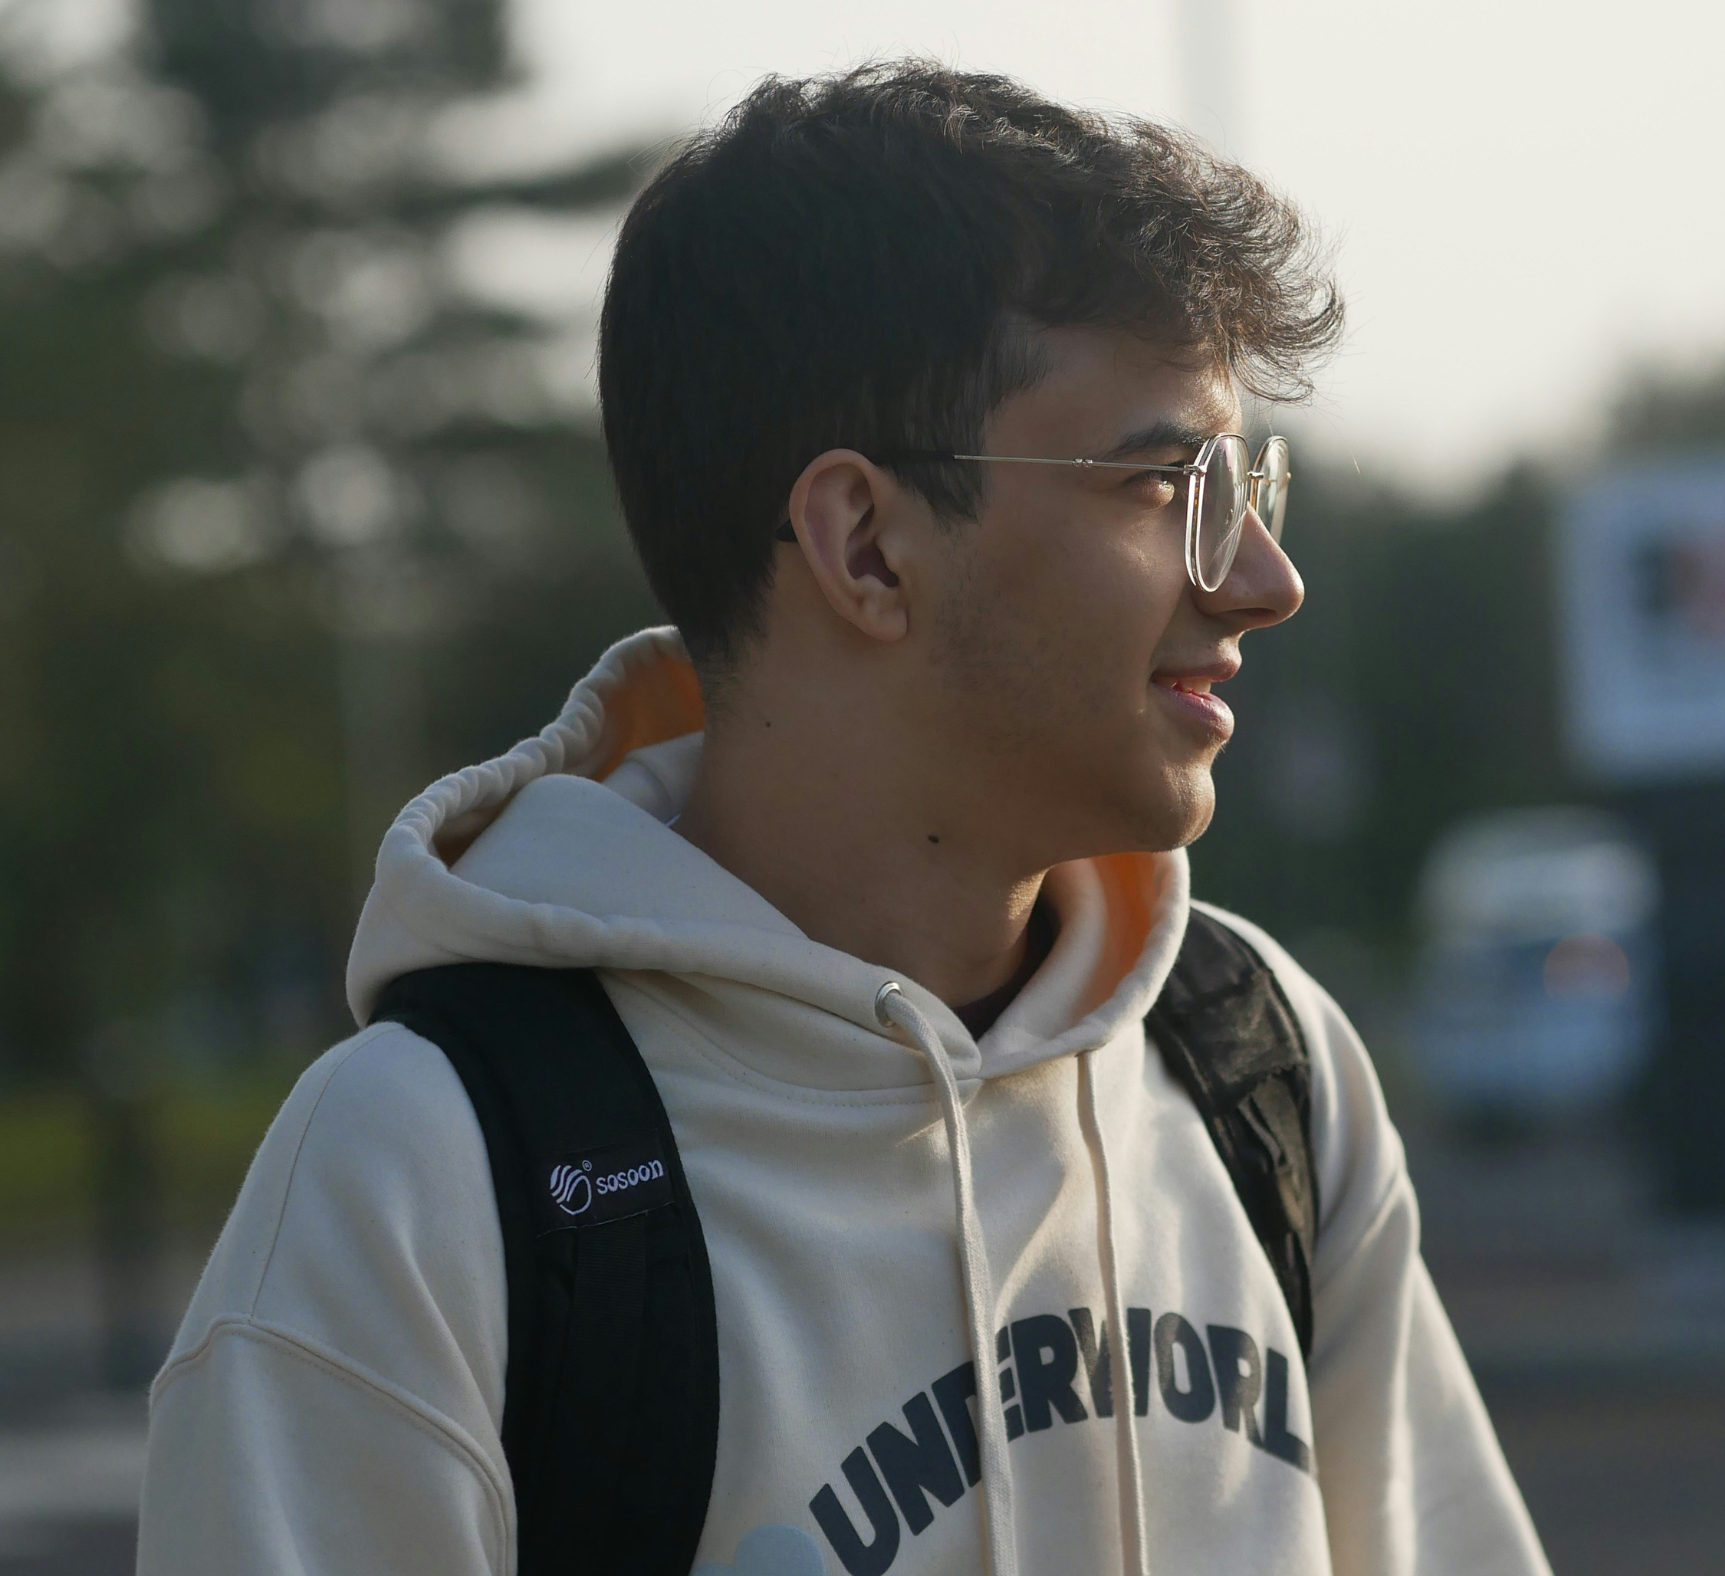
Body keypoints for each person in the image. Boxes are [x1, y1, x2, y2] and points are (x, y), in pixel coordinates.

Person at [138, 61, 1550, 1576]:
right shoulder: (423, 1181)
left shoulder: (1256, 1066)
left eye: (1248, 481)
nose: (1265, 579)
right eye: (1166, 485)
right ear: (865, 544)